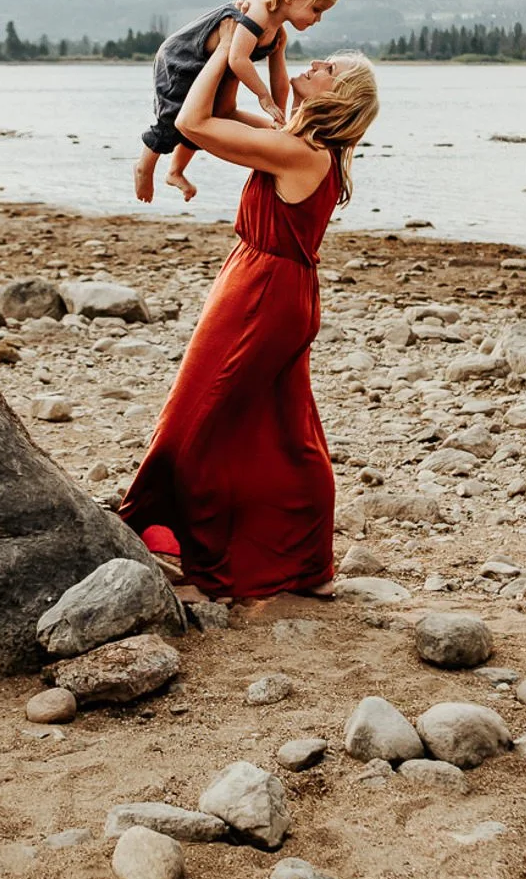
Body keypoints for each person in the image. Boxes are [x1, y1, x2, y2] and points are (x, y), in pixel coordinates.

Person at [119, 31, 380, 606]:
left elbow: (195, 124)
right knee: (284, 429)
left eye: (327, 68)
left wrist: (227, 51)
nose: (314, 64)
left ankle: (174, 535)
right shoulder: (296, 140)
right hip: (273, 284)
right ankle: (307, 561)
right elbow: (223, 108)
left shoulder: (297, 151)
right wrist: (267, 51)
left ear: (337, 97)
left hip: (263, 291)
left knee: (197, 414)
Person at [132, 0, 340, 203]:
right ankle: (144, 166)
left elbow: (279, 78)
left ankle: (176, 170)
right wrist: (263, 97)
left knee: (210, 115)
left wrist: (280, 117)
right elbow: (237, 59)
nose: (318, 19)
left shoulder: (277, 32)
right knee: (173, 116)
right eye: (317, 9)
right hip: (181, 60)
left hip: (208, 65)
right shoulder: (257, 14)